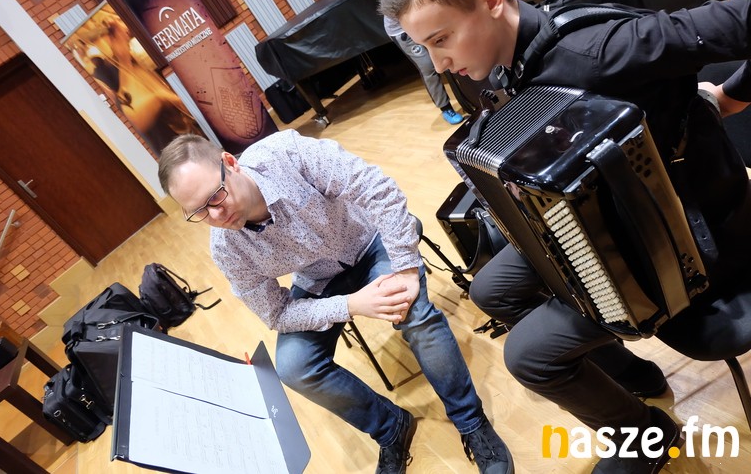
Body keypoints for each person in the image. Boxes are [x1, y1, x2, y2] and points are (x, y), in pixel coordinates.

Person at [379, 0, 751, 473]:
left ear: (491, 0)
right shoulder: (515, 59)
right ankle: (634, 376)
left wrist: (729, 97)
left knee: (527, 356)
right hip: (616, 224)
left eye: (441, 40)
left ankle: (644, 437)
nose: (438, 64)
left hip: (689, 243)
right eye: (424, 47)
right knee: (489, 290)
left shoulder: (600, 50)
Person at [157, 131, 514, 474]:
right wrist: (351, 305)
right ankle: (391, 428)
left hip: (371, 241)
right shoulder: (226, 248)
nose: (217, 217)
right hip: (319, 279)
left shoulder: (286, 155)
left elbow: (377, 189)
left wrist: (406, 268)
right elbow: (276, 313)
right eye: (199, 212)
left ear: (230, 163)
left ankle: (471, 422)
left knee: (414, 313)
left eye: (216, 197)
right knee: (294, 366)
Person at [384, 16, 465, 124]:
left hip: (421, 22)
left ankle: (467, 98)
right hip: (401, 31)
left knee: (446, 54)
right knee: (428, 67)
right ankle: (446, 109)